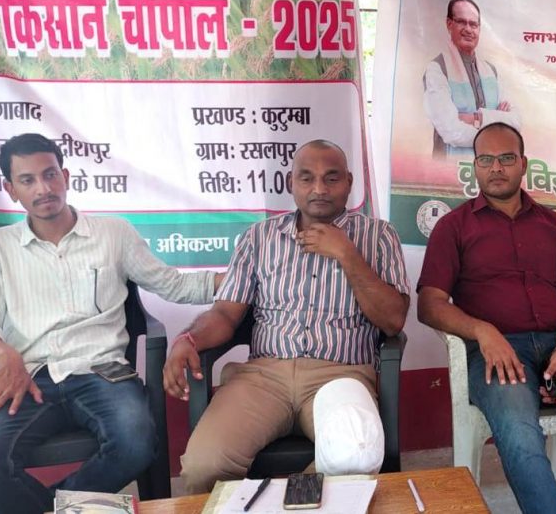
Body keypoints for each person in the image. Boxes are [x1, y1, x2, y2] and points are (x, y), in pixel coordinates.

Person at [0, 133, 224, 514]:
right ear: (11, 190)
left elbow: (173, 284)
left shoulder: (113, 234)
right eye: (28, 180)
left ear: (65, 176)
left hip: (103, 374)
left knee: (136, 443)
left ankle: (56, 511)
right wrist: (5, 355)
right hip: (31, 377)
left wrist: (245, 275)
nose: (43, 188)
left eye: (50, 174)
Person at [418, 122, 556, 513]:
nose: (496, 168)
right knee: (520, 433)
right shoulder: (453, 228)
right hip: (496, 354)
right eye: (486, 160)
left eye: (506, 158)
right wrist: (482, 331)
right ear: (474, 166)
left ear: (523, 164)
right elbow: (430, 304)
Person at [172, 140, 409, 492]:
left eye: (331, 178)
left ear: (349, 182)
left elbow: (393, 321)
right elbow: (225, 313)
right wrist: (188, 339)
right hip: (262, 378)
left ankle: (293, 502)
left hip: (341, 375)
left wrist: (347, 254)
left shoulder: (379, 236)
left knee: (355, 455)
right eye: (307, 178)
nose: (319, 189)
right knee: (204, 466)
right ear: (290, 182)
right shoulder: (259, 237)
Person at [423, 0, 520, 158]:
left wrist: (475, 118)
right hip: (449, 168)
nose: (468, 29)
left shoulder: (491, 71)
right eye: (462, 22)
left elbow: (515, 121)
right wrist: (496, 126)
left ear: (479, 29)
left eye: (473, 24)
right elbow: (451, 130)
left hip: (488, 166)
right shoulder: (437, 69)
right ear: (449, 24)